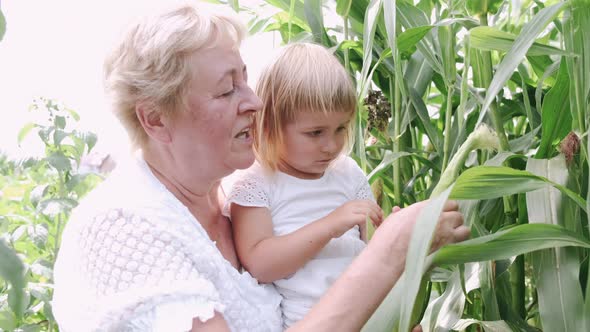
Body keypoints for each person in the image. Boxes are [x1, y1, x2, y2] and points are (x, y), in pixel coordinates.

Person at [51, 2, 470, 331]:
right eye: (226, 89)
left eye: (245, 78)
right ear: (156, 119)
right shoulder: (121, 228)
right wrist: (390, 253)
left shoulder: (229, 198)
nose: (254, 101)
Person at [224, 42, 383, 328]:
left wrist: (394, 233)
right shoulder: (255, 183)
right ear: (270, 124)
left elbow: (373, 246)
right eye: (315, 133)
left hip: (373, 313)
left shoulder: (348, 172)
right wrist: (331, 224)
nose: (332, 146)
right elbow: (261, 265)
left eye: (340, 129)